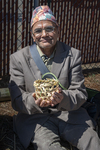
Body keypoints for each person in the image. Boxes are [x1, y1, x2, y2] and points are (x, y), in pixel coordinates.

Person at [9, 5, 100, 150]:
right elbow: (16, 99)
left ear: (57, 31)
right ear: (33, 36)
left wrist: (63, 98)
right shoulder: (18, 59)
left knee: (92, 143)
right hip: (36, 118)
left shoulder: (72, 55)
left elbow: (80, 92)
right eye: (38, 30)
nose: (44, 34)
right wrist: (35, 101)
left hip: (69, 114)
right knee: (48, 146)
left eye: (49, 29)